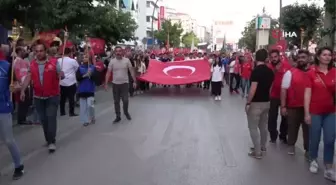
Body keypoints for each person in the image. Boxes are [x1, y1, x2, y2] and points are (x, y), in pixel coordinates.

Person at [20, 40, 64, 153]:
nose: (38, 53)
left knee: (51, 118)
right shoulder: (32, 64)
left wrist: (61, 75)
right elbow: (28, 78)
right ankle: (48, 139)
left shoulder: (54, 63)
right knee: (43, 120)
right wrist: (23, 90)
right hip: (38, 97)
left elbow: (61, 76)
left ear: (45, 51)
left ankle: (52, 141)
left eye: (41, 51)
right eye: (36, 51)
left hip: (52, 96)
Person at [304, 47, 336, 181]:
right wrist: (307, 113)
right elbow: (307, 94)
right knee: (315, 138)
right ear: (318, 57)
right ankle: (313, 159)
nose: (327, 57)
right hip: (315, 111)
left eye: (330, 55)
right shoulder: (311, 73)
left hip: (332, 112)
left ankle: (328, 167)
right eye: (324, 55)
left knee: (329, 140)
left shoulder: (335, 72)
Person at [245, 49, 274, 159]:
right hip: (266, 102)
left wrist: (248, 102)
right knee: (263, 126)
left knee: (252, 127)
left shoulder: (256, 71)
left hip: (256, 103)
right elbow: (270, 88)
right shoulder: (270, 71)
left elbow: (253, 89)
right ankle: (263, 146)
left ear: (255, 58)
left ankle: (257, 152)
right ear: (266, 58)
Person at [280, 50, 310, 157]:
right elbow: (283, 90)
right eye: (299, 57)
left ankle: (308, 150)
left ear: (309, 59)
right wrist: (283, 106)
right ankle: (291, 145)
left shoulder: (313, 72)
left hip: (309, 107)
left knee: (308, 130)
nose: (301, 59)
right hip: (293, 107)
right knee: (292, 127)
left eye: (303, 57)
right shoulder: (290, 73)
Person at [0, 56, 24, 180]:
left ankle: (19, 165)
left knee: (8, 140)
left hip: (3, 108)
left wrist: (14, 88)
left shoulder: (7, 66)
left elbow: (18, 85)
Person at [104, 46, 136, 123]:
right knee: (116, 101)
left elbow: (131, 71)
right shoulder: (112, 61)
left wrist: (134, 81)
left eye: (120, 51)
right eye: (117, 51)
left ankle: (126, 112)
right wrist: (106, 83)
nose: (118, 53)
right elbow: (108, 72)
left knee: (125, 100)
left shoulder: (127, 60)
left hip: (124, 83)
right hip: (115, 84)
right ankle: (118, 116)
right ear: (115, 53)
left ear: (122, 52)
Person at [267, 49, 291, 143]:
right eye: (272, 57)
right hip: (273, 95)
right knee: (272, 117)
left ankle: (283, 135)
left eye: (275, 57)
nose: (274, 59)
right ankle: (273, 135)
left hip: (285, 96)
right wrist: (274, 71)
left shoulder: (286, 66)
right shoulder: (269, 67)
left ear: (279, 56)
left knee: (285, 117)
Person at [13, 46, 32, 125]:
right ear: (20, 51)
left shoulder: (22, 61)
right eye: (23, 51)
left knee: (25, 102)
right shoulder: (17, 61)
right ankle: (22, 119)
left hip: (25, 84)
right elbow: (16, 72)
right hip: (22, 85)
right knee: (23, 102)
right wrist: (21, 83)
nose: (25, 52)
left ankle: (23, 118)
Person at [76, 55, 97, 127]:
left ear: (89, 59)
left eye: (86, 57)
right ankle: (85, 120)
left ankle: (92, 117)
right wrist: (85, 75)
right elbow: (78, 78)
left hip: (90, 89)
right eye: (84, 57)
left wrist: (91, 74)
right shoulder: (79, 68)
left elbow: (96, 78)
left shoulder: (93, 67)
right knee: (83, 107)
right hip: (82, 90)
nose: (85, 58)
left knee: (90, 105)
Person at [58, 48, 79, 116]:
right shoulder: (73, 61)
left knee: (62, 98)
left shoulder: (58, 60)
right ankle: (71, 112)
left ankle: (62, 111)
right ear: (70, 53)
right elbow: (77, 69)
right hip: (71, 81)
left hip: (62, 81)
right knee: (71, 97)